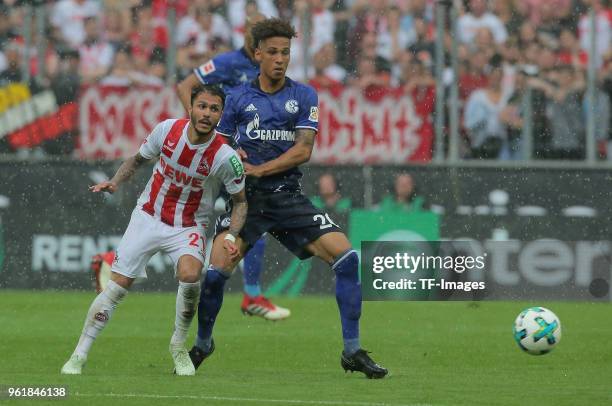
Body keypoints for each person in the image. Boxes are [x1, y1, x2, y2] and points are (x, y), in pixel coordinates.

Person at [190, 18, 388, 379]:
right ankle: (203, 343)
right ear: (258, 54)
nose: (280, 59)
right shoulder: (235, 98)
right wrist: (235, 159)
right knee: (215, 275)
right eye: (274, 52)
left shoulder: (304, 95)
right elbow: (217, 145)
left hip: (287, 197)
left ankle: (352, 350)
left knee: (347, 259)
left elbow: (304, 150)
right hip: (244, 203)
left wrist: (261, 169)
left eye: (286, 53)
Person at [60, 84, 247, 376]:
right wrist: (115, 182)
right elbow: (136, 161)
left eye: (214, 109)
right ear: (191, 108)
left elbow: (241, 202)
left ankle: (177, 346)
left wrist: (232, 236)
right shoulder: (167, 130)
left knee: (190, 276)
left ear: (221, 114)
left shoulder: (225, 157)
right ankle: (79, 354)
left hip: (189, 225)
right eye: (202, 106)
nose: (207, 113)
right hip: (148, 216)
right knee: (117, 287)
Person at [177, 12, 290, 321]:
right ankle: (117, 259)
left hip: (236, 159)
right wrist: (203, 129)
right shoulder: (227, 63)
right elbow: (185, 86)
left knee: (249, 219)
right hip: (215, 154)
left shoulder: (266, 69)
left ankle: (251, 295)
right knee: (185, 218)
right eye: (253, 31)